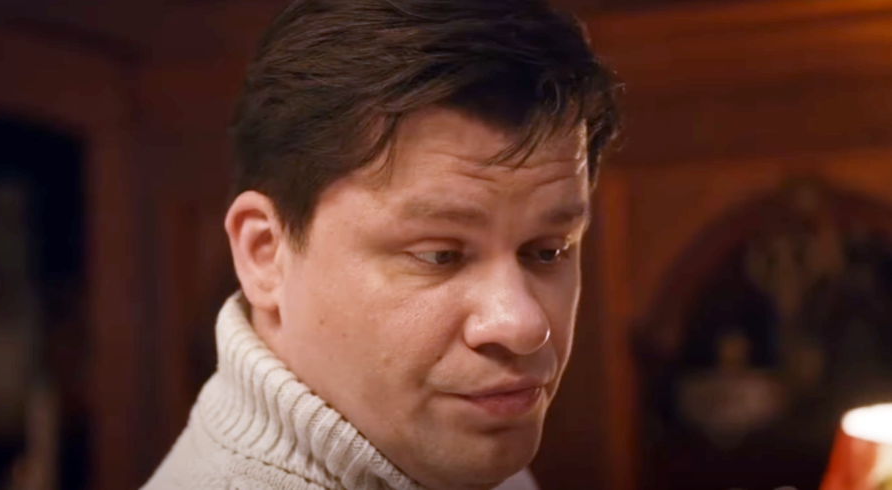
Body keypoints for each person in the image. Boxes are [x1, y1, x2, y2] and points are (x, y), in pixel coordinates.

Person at [142, 0, 619, 489]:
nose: (523, 326)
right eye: (440, 255)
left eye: (547, 251)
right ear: (265, 254)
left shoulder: (450, 448)